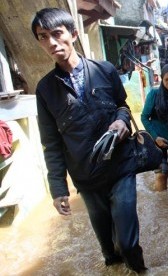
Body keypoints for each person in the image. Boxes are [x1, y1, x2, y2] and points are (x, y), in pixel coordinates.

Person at [32, 8, 147, 272]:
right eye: (43, 37)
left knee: (128, 243)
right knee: (109, 251)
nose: (51, 42)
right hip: (86, 177)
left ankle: (141, 270)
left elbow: (123, 105)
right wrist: (58, 189)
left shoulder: (104, 70)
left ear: (73, 34)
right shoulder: (45, 90)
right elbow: (51, 143)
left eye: (56, 34)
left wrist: (121, 120)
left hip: (121, 167)